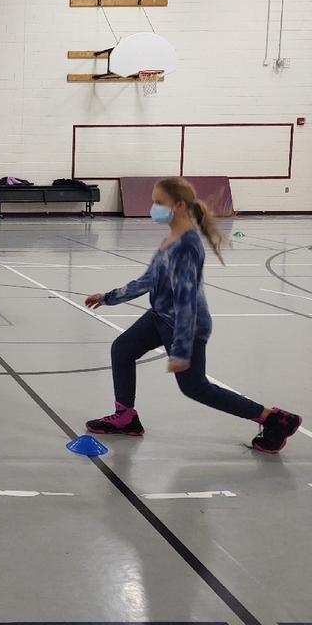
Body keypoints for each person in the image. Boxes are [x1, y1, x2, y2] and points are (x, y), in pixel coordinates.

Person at [83, 176, 302, 453]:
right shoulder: (172, 238)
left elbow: (186, 301)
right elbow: (149, 279)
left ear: (179, 205)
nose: (153, 207)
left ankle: (275, 419)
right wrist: (107, 297)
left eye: (159, 202)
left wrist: (180, 351)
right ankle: (125, 417)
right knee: (123, 349)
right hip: (161, 316)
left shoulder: (186, 245)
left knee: (195, 388)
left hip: (185, 325)